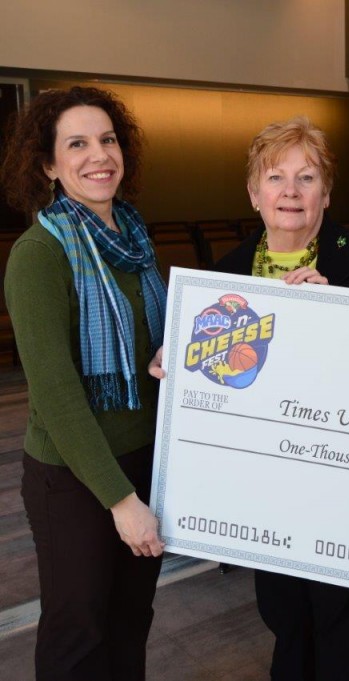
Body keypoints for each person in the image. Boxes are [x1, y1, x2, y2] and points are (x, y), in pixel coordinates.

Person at [209, 116, 349, 680]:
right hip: (269, 486)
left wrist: (342, 317)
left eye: (306, 177)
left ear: (327, 193)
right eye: (275, 177)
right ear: (253, 192)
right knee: (286, 620)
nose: (290, 191)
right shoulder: (222, 276)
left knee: (342, 628)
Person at [0, 86, 166, 680]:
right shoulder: (39, 254)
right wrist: (121, 502)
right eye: (77, 144)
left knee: (129, 620)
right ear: (48, 164)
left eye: (108, 139)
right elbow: (56, 395)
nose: (99, 155)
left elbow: (148, 341)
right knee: (78, 634)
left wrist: (166, 350)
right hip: (74, 480)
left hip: (144, 456)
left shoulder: (134, 239)